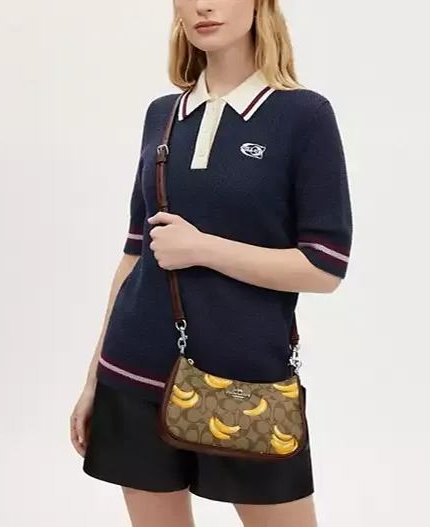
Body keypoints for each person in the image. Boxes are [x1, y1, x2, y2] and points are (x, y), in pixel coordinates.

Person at [70, 1, 353, 525]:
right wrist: (93, 380)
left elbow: (324, 268)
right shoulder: (162, 114)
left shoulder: (304, 116)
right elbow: (134, 255)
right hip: (134, 372)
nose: (204, 5)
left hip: (248, 387)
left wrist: (204, 249)